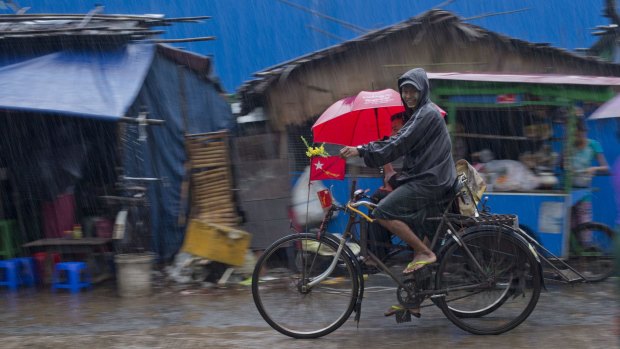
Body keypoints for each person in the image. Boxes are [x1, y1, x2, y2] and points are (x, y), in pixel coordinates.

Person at [339, 68, 456, 278]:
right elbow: (400, 144)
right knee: (421, 232)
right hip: (433, 179)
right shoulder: (418, 114)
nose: (408, 96)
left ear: (423, 90)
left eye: (413, 91)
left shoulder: (427, 114)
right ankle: (415, 300)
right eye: (405, 91)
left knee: (382, 212)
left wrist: (362, 150)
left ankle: (424, 252)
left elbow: (399, 142)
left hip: (430, 181)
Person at [570, 118, 609, 243]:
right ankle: (573, 255)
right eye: (575, 134)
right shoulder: (570, 146)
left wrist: (594, 168)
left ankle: (586, 252)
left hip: (584, 192)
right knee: (570, 226)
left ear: (585, 132)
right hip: (569, 190)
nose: (578, 137)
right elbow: (561, 164)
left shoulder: (593, 145)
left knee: (585, 225)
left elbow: (606, 168)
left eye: (580, 133)